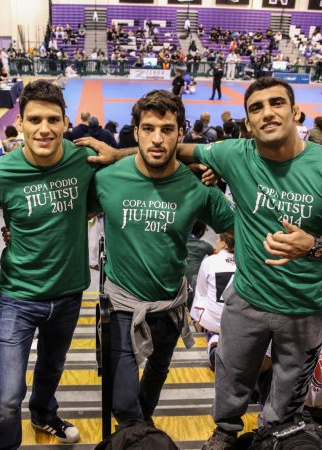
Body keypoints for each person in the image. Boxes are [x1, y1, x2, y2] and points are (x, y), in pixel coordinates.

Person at [173, 77, 322, 449]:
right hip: (247, 297)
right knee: (231, 374)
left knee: (287, 389)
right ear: (248, 123)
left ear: (295, 112)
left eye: (276, 103)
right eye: (256, 108)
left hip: (306, 305)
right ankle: (225, 431)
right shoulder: (235, 154)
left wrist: (313, 245)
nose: (267, 113)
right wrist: (114, 155)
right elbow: (175, 148)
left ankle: (273, 436)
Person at [88, 89, 235, 428]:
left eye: (167, 129)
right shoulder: (107, 179)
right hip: (123, 306)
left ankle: (137, 434)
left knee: (156, 374)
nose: (157, 139)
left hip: (170, 305)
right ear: (136, 132)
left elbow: (240, 233)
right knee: (123, 403)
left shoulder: (197, 186)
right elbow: (69, 215)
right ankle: (140, 433)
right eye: (149, 129)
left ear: (180, 133)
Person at [0, 80, 100, 449]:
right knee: (5, 399)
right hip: (18, 295)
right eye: (34, 120)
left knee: (52, 367)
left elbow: (114, 186)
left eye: (52, 119)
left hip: (68, 292)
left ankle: (44, 414)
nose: (44, 129)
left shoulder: (84, 161)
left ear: (65, 122)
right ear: (20, 123)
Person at [190, 232, 236, 369]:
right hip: (240, 317)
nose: (216, 242)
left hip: (215, 320)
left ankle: (213, 341)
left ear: (223, 243)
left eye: (217, 239)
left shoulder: (209, 261)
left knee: (200, 296)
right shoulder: (246, 261)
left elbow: (201, 292)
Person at [185, 220, 215, 308]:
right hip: (194, 282)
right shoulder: (205, 246)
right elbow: (219, 255)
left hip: (178, 279)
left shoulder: (180, 242)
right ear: (201, 232)